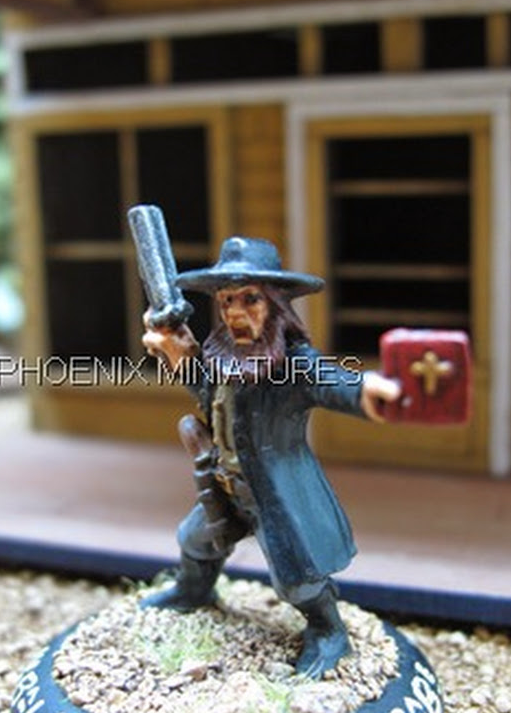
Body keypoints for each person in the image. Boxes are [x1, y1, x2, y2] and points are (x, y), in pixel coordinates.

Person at [140, 236, 401, 679]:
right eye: (226, 301)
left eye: (250, 299)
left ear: (276, 305)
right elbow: (206, 394)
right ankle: (194, 591)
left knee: (298, 577)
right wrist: (177, 354)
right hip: (225, 483)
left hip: (277, 490)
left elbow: (330, 380)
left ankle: (328, 631)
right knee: (196, 541)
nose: (235, 312)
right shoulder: (221, 358)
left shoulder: (294, 364)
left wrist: (365, 391)